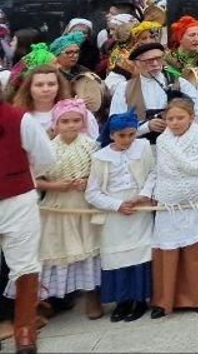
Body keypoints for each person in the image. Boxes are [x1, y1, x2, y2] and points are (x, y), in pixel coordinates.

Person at [145, 97, 198, 316]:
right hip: (168, 198)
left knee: (197, 247)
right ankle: (165, 299)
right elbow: (157, 169)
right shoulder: (162, 141)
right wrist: (147, 193)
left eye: (180, 118)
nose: (175, 122)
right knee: (167, 247)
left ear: (192, 117)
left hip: (197, 197)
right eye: (170, 118)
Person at [21, 98, 100, 319]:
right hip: (57, 205)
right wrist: (55, 186)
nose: (71, 125)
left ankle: (92, 296)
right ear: (55, 124)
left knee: (88, 248)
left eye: (76, 120)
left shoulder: (91, 145)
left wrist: (87, 182)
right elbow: (34, 178)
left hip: (84, 205)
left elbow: (101, 175)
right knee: (54, 249)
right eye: (65, 121)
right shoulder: (48, 148)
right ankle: (48, 298)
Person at [0, 76, 57, 354]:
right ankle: (20, 331)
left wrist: (22, 176)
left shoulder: (19, 118)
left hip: (17, 199)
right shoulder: (19, 117)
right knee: (23, 264)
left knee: (24, 265)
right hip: (17, 194)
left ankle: (24, 331)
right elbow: (45, 159)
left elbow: (45, 157)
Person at [85, 111, 155, 321]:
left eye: (131, 134)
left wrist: (143, 195)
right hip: (114, 212)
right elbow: (92, 193)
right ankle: (122, 301)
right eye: (121, 135)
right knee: (117, 256)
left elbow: (153, 173)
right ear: (112, 135)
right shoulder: (100, 157)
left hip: (139, 207)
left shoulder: (143, 147)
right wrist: (116, 205)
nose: (127, 139)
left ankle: (140, 299)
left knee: (141, 253)